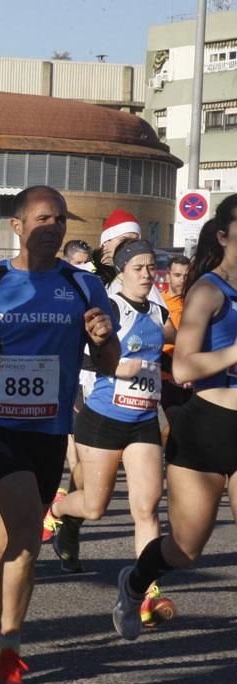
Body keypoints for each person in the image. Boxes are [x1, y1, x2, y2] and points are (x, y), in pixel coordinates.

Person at [0, 186, 118, 684]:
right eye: (43, 218)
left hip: (49, 429)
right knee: (24, 531)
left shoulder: (84, 285)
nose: (55, 227)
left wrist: (102, 338)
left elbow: (108, 365)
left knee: (12, 539)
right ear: (17, 226)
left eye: (61, 219)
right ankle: (9, 651)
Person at [112, 197, 237, 640]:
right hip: (206, 428)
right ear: (223, 237)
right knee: (185, 549)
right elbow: (182, 368)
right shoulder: (209, 290)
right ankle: (134, 583)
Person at [47, 239, 176, 624]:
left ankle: (146, 590)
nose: (146, 274)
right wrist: (115, 368)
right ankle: (59, 511)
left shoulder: (157, 309)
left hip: (143, 420)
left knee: (147, 507)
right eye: (138, 267)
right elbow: (74, 349)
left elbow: (171, 346)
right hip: (103, 416)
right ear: (121, 270)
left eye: (151, 267)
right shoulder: (110, 305)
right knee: (95, 507)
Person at [160, 254, 192, 421]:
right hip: (165, 377)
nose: (182, 280)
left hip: (190, 376)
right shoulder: (159, 303)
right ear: (168, 276)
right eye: (177, 275)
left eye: (186, 276)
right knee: (172, 427)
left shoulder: (195, 302)